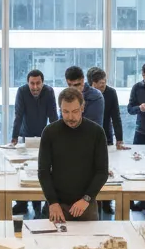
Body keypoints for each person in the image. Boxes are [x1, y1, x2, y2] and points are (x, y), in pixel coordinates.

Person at [37, 87, 108, 223]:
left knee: (89, 243)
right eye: (65, 112)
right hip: (57, 205)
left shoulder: (96, 132)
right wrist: (52, 202)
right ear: (60, 110)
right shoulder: (50, 132)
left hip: (86, 204)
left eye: (75, 111)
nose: (70, 117)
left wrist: (86, 199)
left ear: (82, 107)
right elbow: (43, 171)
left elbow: (102, 172)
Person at [11, 69, 58, 217]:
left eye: (38, 83)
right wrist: (14, 138)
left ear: (42, 83)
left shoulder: (49, 92)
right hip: (26, 135)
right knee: (23, 168)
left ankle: (39, 206)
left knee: (42, 169)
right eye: (32, 83)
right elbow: (18, 115)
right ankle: (22, 204)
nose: (35, 87)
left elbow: (53, 115)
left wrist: (58, 137)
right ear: (28, 83)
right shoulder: (22, 91)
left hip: (44, 136)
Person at [88, 67, 126, 148]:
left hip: (106, 136)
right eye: (99, 85)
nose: (103, 87)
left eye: (104, 83)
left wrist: (119, 140)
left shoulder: (111, 93)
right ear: (92, 84)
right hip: (87, 135)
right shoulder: (84, 93)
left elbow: (116, 117)